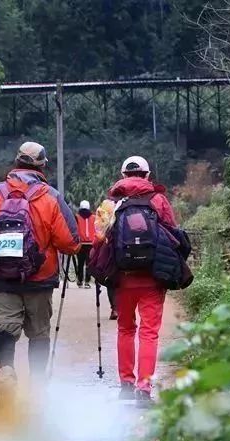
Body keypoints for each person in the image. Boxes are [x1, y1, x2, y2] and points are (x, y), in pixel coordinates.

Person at [0, 141, 79, 407]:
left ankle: (6, 377)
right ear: (42, 165)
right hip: (39, 279)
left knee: (5, 330)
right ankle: (36, 390)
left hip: (3, 278)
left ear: (16, 163)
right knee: (38, 334)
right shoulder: (50, 196)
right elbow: (70, 242)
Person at [108, 156, 177, 407]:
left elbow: (100, 239)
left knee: (126, 329)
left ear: (123, 175)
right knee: (149, 332)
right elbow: (172, 233)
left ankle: (126, 384)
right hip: (152, 277)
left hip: (123, 278)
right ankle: (144, 388)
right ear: (147, 175)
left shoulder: (112, 202)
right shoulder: (158, 200)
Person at [75, 200, 95, 289]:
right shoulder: (94, 217)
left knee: (80, 263)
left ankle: (79, 280)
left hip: (80, 243)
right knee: (89, 263)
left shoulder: (77, 217)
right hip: (91, 244)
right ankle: (87, 281)